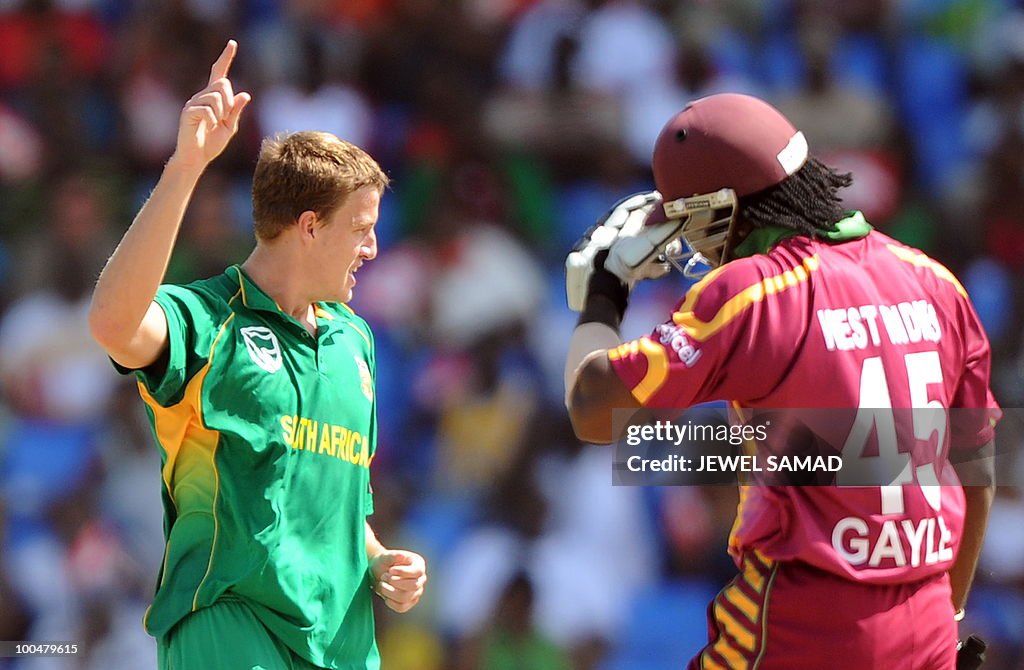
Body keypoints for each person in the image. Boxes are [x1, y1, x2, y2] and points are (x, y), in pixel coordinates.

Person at [564, 93, 1000, 669]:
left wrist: (604, 294)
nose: (687, 242)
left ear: (725, 205)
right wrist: (950, 619)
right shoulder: (936, 280)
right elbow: (976, 475)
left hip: (800, 624)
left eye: (689, 218)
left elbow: (592, 410)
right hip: (926, 625)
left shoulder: (750, 291)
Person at [88, 40, 426, 670]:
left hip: (343, 646)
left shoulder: (356, 342)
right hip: (230, 626)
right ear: (309, 226)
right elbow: (111, 322)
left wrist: (378, 559)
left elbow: (337, 500)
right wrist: (186, 167)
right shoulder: (209, 319)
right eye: (361, 228)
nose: (373, 249)